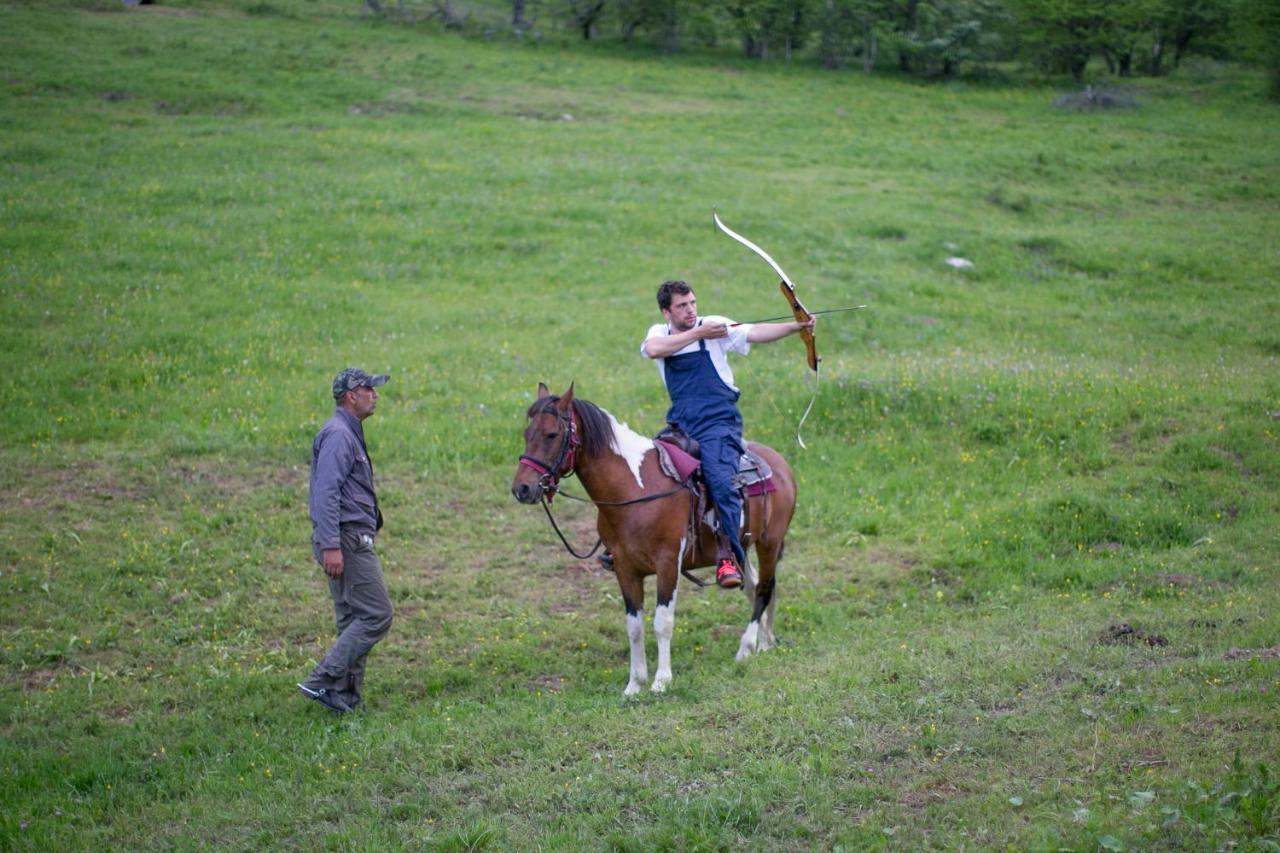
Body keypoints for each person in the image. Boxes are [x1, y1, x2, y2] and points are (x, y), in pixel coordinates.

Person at [641, 280, 814, 588]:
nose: (691, 310)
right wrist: (698, 333)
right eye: (682, 306)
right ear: (666, 312)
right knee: (645, 474)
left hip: (719, 424)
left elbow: (755, 332)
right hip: (681, 424)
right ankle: (627, 547)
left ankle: (728, 557)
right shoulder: (660, 333)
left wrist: (795, 326)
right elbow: (654, 350)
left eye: (692, 302)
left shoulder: (715, 326)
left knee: (721, 482)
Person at [298, 368, 393, 714]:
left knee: (352, 618)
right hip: (347, 541)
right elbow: (326, 493)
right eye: (369, 388)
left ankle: (344, 699)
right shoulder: (339, 434)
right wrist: (332, 545)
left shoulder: (345, 431)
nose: (375, 394)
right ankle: (322, 678)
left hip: (344, 539)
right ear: (351, 395)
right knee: (377, 616)